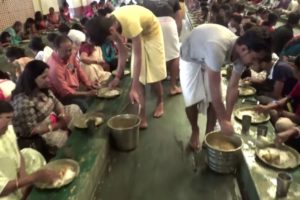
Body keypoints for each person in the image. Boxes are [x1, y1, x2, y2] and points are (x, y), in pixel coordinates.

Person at [180, 24, 272, 150]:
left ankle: (208, 134)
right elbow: (215, 88)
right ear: (244, 49)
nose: (255, 63)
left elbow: (233, 87)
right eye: (255, 58)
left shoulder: (242, 55)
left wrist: (227, 118)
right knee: (191, 100)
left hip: (208, 55)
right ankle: (195, 130)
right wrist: (222, 121)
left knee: (214, 103)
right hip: (191, 56)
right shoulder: (217, 47)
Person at [86, 5, 167, 128]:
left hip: (152, 33)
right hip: (138, 34)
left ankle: (160, 101)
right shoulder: (109, 24)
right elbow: (123, 52)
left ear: (112, 31)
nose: (110, 41)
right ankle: (142, 115)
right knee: (138, 79)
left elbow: (138, 56)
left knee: (153, 77)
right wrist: (118, 76)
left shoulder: (130, 23)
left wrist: (133, 88)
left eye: (108, 39)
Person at [12, 60, 82, 155]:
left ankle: (77, 138)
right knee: (57, 139)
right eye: (44, 77)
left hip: (54, 118)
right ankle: (70, 152)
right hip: (42, 131)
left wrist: (62, 115)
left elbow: (56, 102)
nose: (48, 80)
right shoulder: (23, 101)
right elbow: (30, 131)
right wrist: (57, 125)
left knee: (74, 109)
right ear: (32, 79)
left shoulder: (42, 88)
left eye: (48, 76)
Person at [0, 100, 60, 199]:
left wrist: (23, 177)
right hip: (3, 190)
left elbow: (17, 153)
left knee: (31, 154)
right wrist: (33, 177)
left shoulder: (7, 129)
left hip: (14, 172)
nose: (6, 124)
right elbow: (2, 188)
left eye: (9, 118)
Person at [47, 35, 97, 112]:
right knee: (84, 106)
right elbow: (65, 93)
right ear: (56, 50)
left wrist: (89, 84)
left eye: (70, 50)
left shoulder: (70, 55)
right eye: (66, 51)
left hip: (75, 90)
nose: (69, 53)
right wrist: (87, 93)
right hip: (63, 98)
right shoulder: (54, 68)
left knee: (96, 95)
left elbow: (79, 70)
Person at [142, 0, 182, 95]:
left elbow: (143, 17)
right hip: (169, 23)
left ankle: (157, 85)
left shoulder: (146, 1)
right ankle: (173, 87)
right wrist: (177, 33)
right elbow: (179, 18)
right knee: (174, 56)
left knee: (154, 55)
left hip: (152, 24)